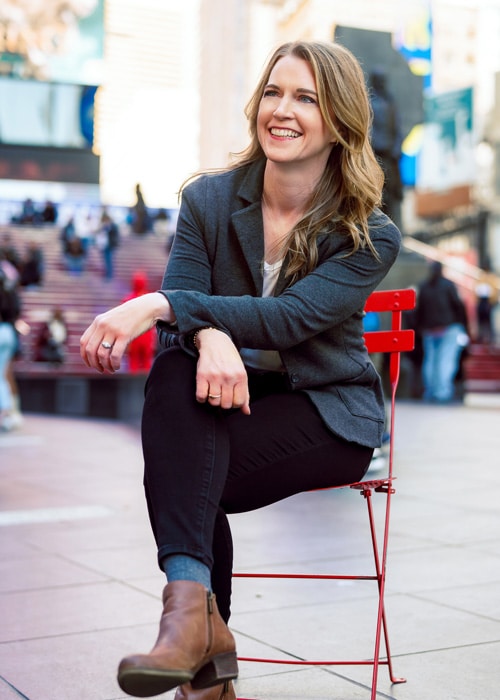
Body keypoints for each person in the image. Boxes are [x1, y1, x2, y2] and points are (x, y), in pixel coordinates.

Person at [80, 40, 401, 700]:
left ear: (339, 121)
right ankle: (195, 627)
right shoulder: (210, 200)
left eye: (306, 98)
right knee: (175, 379)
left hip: (328, 413)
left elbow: (287, 318)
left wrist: (169, 307)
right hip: (230, 398)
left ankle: (204, 649)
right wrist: (208, 335)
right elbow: (190, 294)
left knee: (191, 470)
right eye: (274, 93)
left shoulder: (367, 231)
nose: (282, 110)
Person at [415, 261, 469, 404]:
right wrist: (464, 327)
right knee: (446, 360)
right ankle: (442, 392)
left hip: (429, 329)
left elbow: (419, 310)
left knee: (430, 361)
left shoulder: (423, 286)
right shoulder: (448, 285)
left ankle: (430, 391)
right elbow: (458, 306)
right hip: (448, 327)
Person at [368, 66, 404, 232]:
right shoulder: (368, 101)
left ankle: (390, 229)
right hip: (373, 155)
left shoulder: (390, 102)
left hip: (389, 155)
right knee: (374, 192)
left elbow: (397, 129)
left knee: (392, 192)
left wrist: (396, 149)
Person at [122, 271, 157, 372]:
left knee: (133, 364)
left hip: (133, 337)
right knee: (147, 364)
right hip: (147, 336)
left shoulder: (127, 300)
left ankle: (132, 386)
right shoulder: (150, 299)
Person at [0, 261, 21, 431]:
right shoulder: (10, 292)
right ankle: (9, 413)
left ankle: (6, 414)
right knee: (4, 374)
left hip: (2, 331)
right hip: (9, 332)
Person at [95, 209, 120, 280]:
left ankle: (109, 275)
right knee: (105, 260)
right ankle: (107, 274)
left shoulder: (113, 226)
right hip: (104, 245)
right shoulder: (104, 226)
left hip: (110, 245)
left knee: (109, 260)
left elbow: (115, 236)